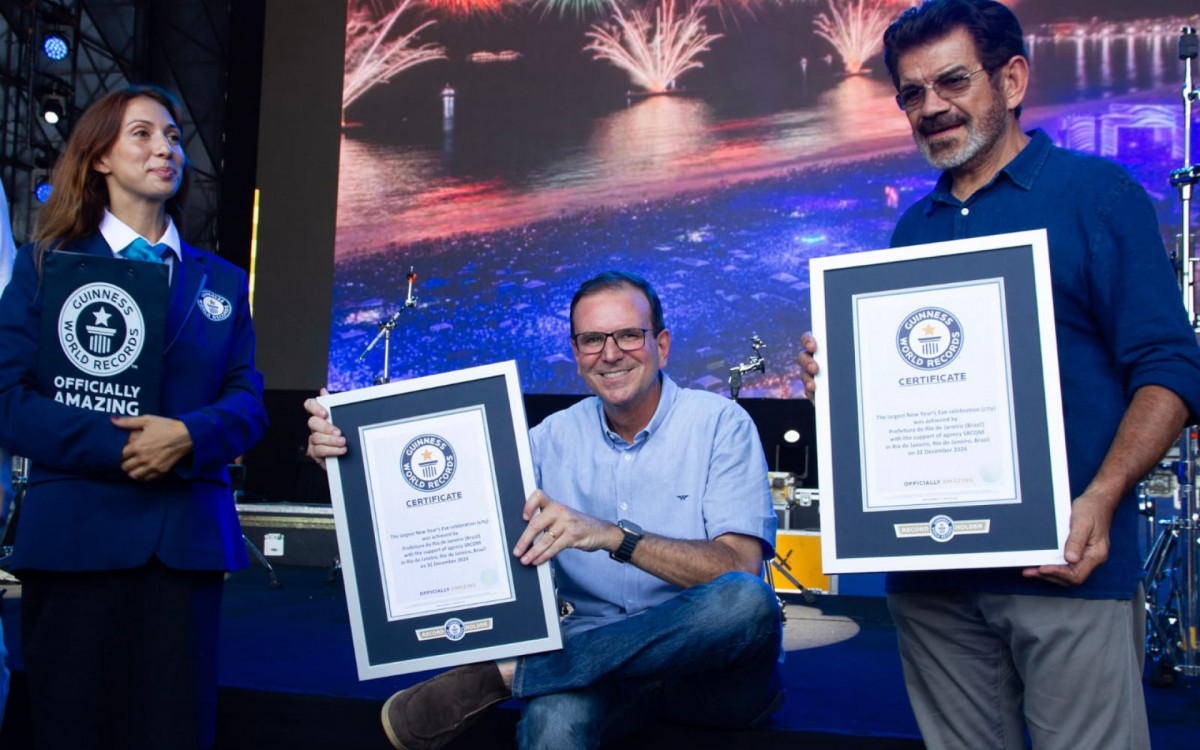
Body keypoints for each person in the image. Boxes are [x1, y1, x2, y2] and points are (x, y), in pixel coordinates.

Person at [798, 2, 1200, 748]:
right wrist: (847, 388)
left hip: (1063, 566)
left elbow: (1171, 366)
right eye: (911, 93)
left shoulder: (1096, 195)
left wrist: (1102, 498)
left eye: (952, 81)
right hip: (930, 578)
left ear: (1011, 79)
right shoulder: (911, 228)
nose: (931, 108)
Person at [306, 271, 783, 750]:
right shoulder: (544, 441)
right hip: (596, 669)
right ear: (577, 356)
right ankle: (532, 673)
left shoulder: (721, 423)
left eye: (628, 335)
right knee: (553, 724)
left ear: (661, 344)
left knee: (747, 601)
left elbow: (736, 568)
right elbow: (444, 502)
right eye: (592, 339)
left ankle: (507, 676)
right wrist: (348, 456)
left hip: (711, 679)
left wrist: (614, 536)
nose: (610, 353)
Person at [0, 85, 268, 750]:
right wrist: (119, 447)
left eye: (173, 136)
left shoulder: (223, 281)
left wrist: (187, 436)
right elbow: (6, 397)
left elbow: (247, 401)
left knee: (174, 731)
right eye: (142, 135)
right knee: (70, 728)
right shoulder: (47, 265)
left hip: (184, 545)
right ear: (99, 158)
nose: (165, 149)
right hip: (75, 539)